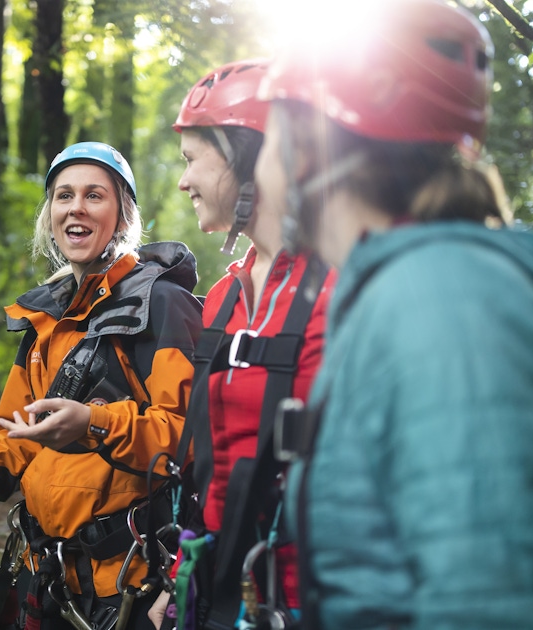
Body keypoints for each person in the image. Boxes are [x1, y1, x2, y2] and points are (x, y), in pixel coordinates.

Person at [252, 1, 533, 628]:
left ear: (304, 152)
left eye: (269, 141)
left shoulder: (441, 304)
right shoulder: (408, 287)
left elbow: (489, 601)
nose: (261, 169)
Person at [0, 142, 203, 629]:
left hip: (130, 583)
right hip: (44, 574)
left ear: (123, 216)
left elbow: (187, 436)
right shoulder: (45, 317)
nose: (76, 207)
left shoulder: (162, 304)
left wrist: (93, 423)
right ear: (50, 214)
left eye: (94, 195)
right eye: (64, 195)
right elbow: (19, 431)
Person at [148, 60, 335, 630]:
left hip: (311, 600)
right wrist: (183, 578)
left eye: (192, 160)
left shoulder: (341, 288)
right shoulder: (224, 296)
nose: (183, 182)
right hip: (215, 589)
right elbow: (215, 465)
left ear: (248, 156)